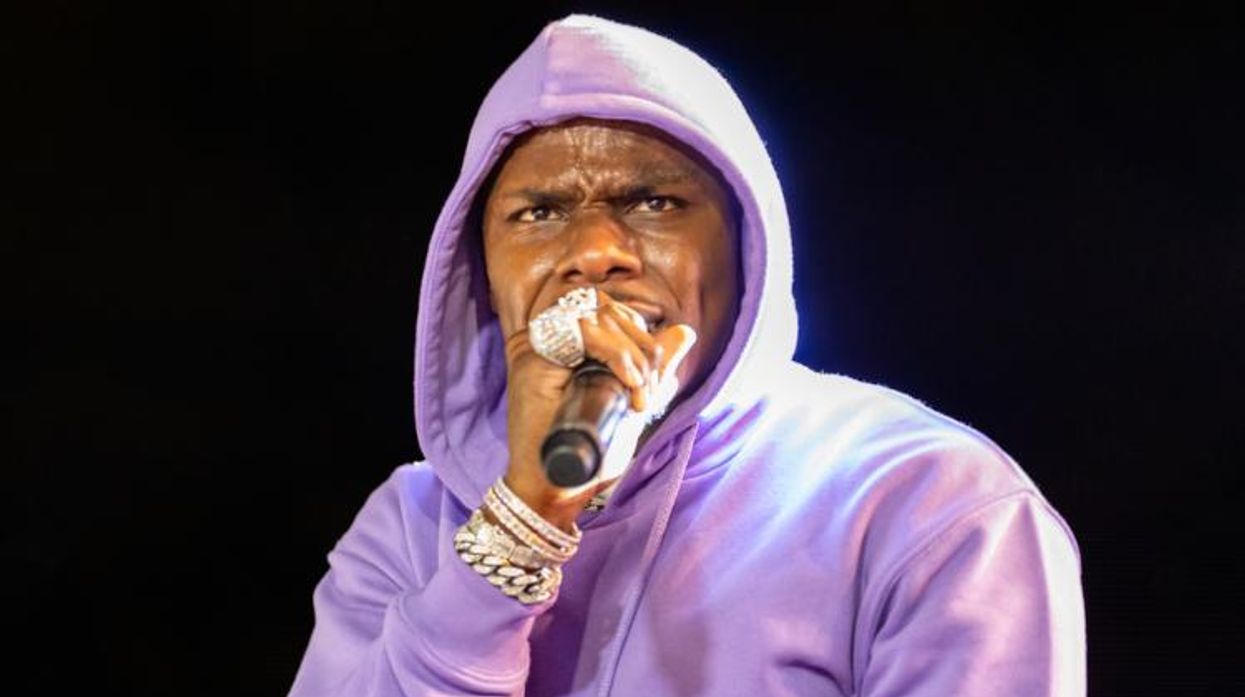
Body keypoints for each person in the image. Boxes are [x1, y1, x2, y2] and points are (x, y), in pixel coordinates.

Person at [288, 14, 1086, 697]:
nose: (593, 253)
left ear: (747, 245)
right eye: (538, 213)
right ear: (480, 274)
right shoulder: (411, 522)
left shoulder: (927, 504)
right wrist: (520, 524)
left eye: (654, 201)